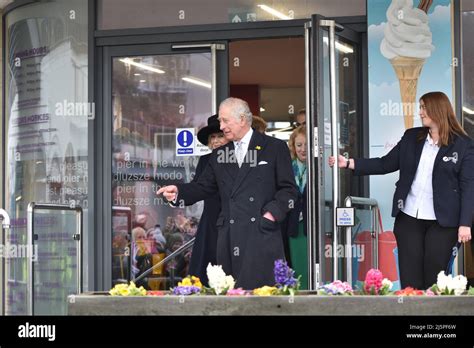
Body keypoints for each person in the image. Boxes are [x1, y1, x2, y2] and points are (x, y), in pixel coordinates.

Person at [329, 91, 474, 289]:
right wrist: (349, 163)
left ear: (438, 110)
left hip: (444, 223)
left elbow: (468, 187)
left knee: (435, 276)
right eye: (420, 107)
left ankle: (433, 318)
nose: (420, 112)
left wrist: (465, 223)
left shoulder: (463, 145)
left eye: (424, 107)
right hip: (409, 218)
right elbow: (385, 164)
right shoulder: (411, 137)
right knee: (409, 278)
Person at [157, 97, 298, 289]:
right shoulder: (220, 154)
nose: (221, 127)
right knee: (232, 296)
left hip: (262, 234)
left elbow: (289, 190)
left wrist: (271, 214)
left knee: (263, 298)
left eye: (225, 120)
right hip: (229, 238)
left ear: (242, 119)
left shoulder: (273, 147)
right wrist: (179, 192)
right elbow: (203, 187)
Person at [284, 125, 308, 289]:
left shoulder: (319, 167)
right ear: (293, 146)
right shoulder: (286, 168)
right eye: (299, 145)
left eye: (307, 145)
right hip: (292, 226)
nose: (303, 149)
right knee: (295, 266)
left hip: (311, 226)